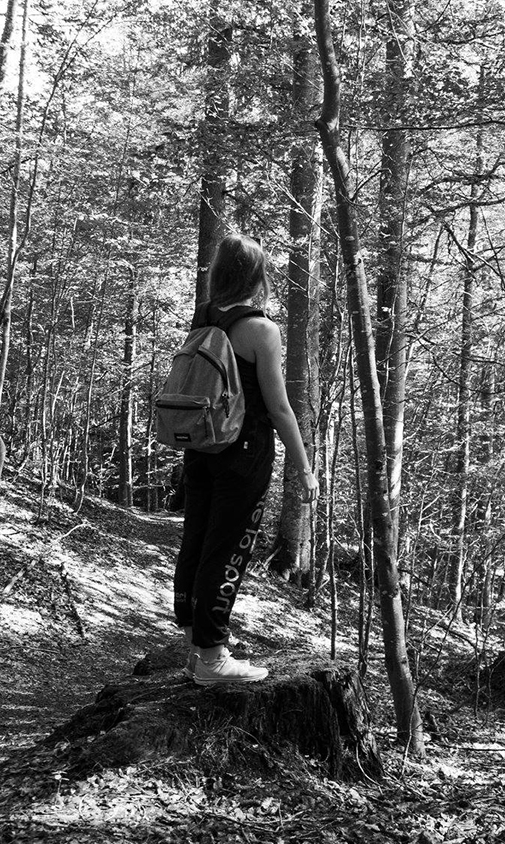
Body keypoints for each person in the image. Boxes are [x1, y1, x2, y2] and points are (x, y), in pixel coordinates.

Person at [173, 234, 318, 685]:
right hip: (243, 454)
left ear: (218, 275)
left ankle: (197, 648)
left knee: (197, 541)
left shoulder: (204, 317)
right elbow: (278, 408)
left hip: (200, 447)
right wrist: (304, 468)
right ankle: (214, 659)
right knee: (228, 548)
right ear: (257, 277)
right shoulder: (261, 330)